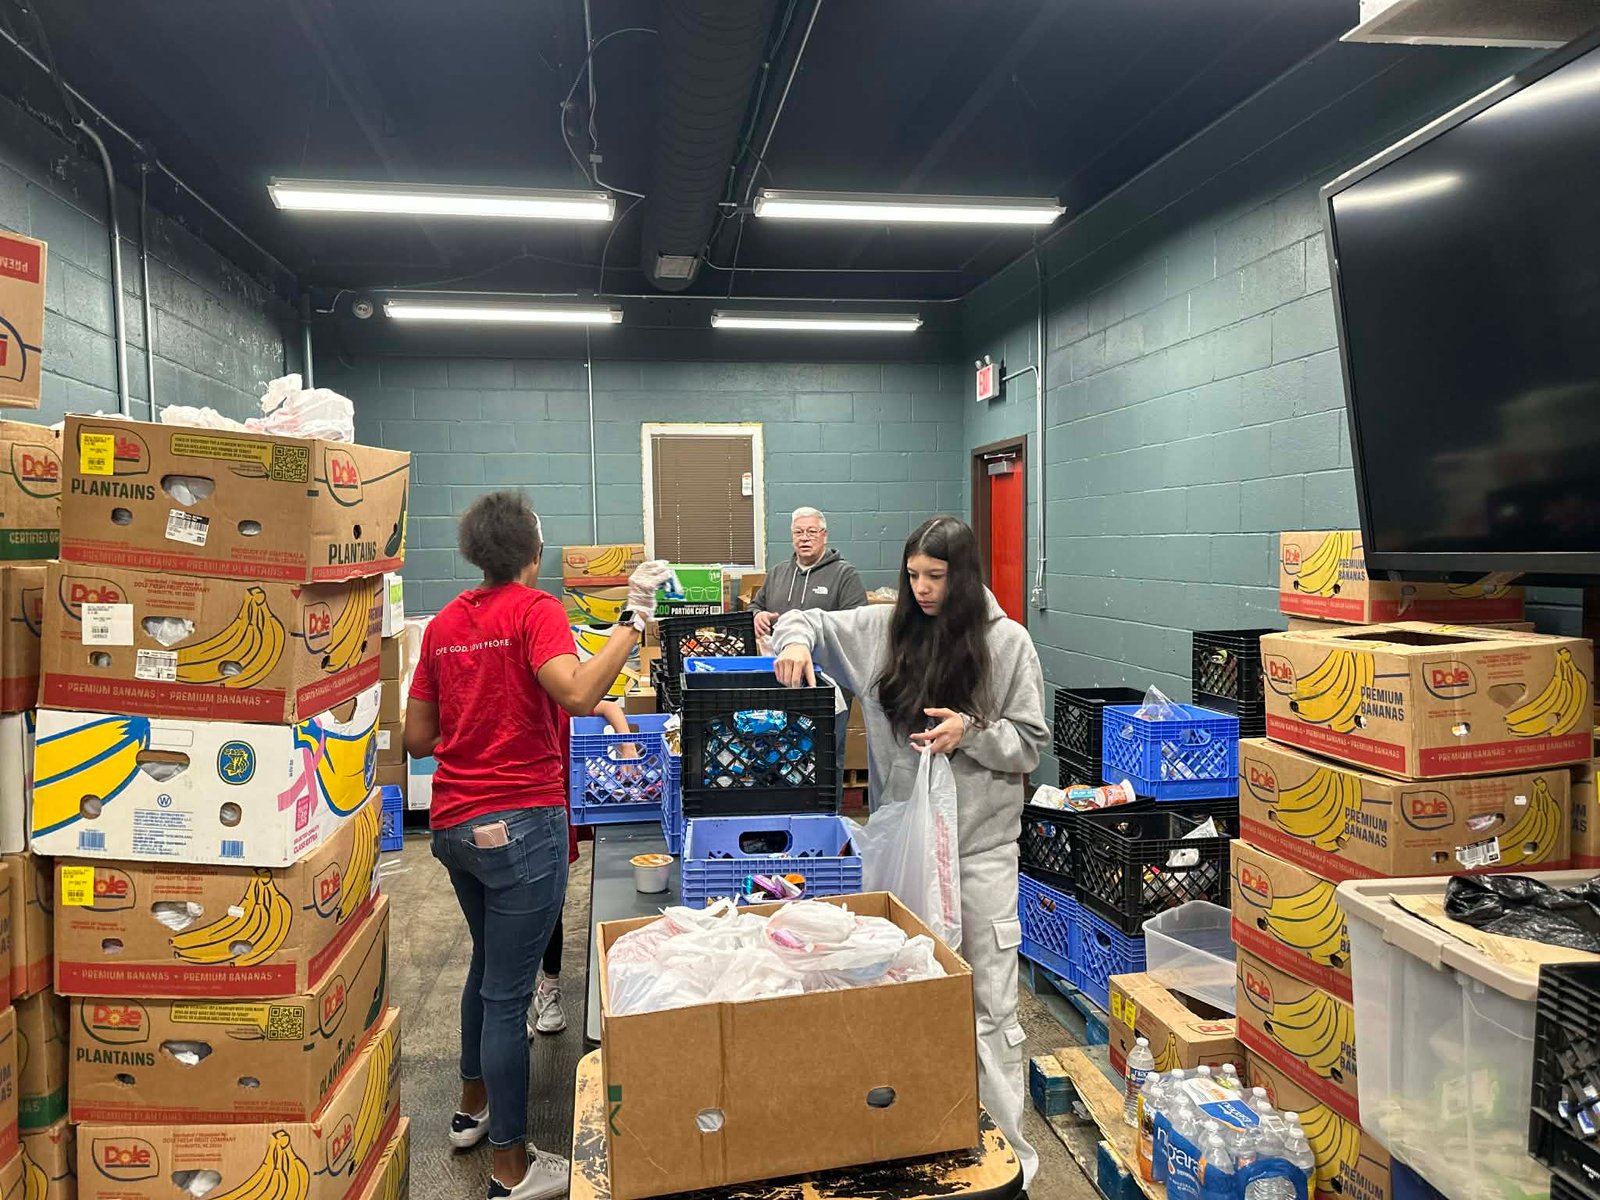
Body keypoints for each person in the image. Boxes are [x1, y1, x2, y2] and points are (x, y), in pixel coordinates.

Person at [405, 491, 668, 1200]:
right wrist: (633, 620)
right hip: (521, 826)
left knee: (488, 968)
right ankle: (511, 1170)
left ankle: (470, 1109)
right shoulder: (535, 610)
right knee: (507, 994)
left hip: (456, 824)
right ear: (532, 552)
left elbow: (418, 739)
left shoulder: (446, 625)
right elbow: (577, 692)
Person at [771, 515, 1047, 1187]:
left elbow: (1030, 742)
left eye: (936, 578)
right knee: (898, 998)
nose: (922, 590)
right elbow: (803, 621)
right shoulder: (886, 630)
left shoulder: (1007, 644)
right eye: (914, 576)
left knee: (988, 1009)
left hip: (981, 857)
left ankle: (1009, 1165)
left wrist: (972, 731)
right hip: (903, 855)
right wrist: (796, 641)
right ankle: (919, 1140)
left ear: (964, 578)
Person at [529, 698, 632, 1039]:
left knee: (550, 904)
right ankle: (514, 1002)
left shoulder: (562, 696)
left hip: (552, 812)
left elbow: (609, 708)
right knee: (509, 913)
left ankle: (549, 988)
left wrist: (626, 743)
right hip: (510, 810)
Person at [751, 507, 868, 786]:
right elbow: (757, 604)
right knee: (776, 754)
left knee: (826, 758)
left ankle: (828, 819)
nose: (804, 538)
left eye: (811, 532)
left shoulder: (844, 574)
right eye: (798, 532)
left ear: (824, 535)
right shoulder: (779, 573)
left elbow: (857, 624)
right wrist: (758, 615)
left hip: (828, 686)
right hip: (781, 680)